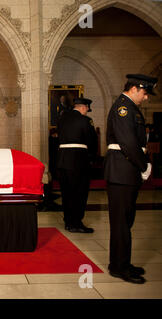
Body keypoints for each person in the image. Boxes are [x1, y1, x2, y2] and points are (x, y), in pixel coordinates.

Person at [104, 74, 158, 284]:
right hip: (122, 170)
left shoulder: (129, 108)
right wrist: (144, 165)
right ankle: (119, 267)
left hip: (127, 170)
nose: (146, 98)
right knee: (121, 223)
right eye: (145, 93)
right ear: (135, 88)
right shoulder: (123, 108)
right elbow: (127, 142)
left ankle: (122, 262)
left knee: (126, 221)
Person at [57, 97, 98, 233]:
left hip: (63, 160)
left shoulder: (62, 119)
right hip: (79, 160)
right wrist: (92, 158)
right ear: (83, 107)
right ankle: (76, 223)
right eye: (87, 109)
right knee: (79, 193)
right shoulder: (86, 121)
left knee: (67, 192)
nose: (86, 112)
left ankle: (68, 221)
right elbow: (92, 141)